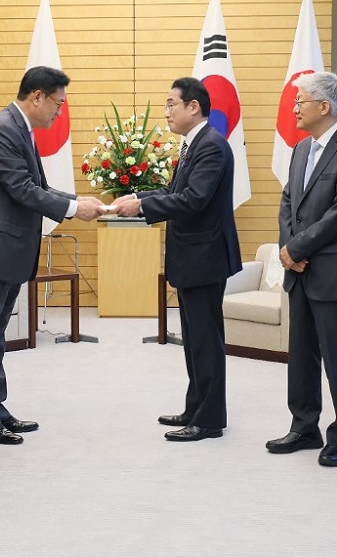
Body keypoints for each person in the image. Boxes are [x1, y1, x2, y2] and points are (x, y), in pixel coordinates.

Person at [0, 66, 103, 445]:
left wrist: (78, 200)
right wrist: (74, 210)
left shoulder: (17, 127)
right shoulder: (2, 129)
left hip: (10, 250)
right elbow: (22, 189)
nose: (60, 111)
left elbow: (37, 187)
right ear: (37, 96)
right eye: (58, 103)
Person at [112, 77, 242, 442]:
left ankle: (210, 419)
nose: (166, 112)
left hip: (205, 257)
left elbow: (195, 199)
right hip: (192, 257)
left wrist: (143, 206)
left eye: (171, 104)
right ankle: (196, 406)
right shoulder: (192, 145)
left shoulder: (212, 147)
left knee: (205, 340)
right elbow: (174, 192)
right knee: (194, 338)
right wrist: (137, 198)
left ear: (194, 107)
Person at [265, 72, 337, 467]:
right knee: (301, 354)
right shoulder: (299, 149)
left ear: (324, 106)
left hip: (333, 271)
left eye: (300, 101)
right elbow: (288, 201)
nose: (294, 108)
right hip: (300, 269)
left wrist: (298, 246)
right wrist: (286, 248)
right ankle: (304, 426)